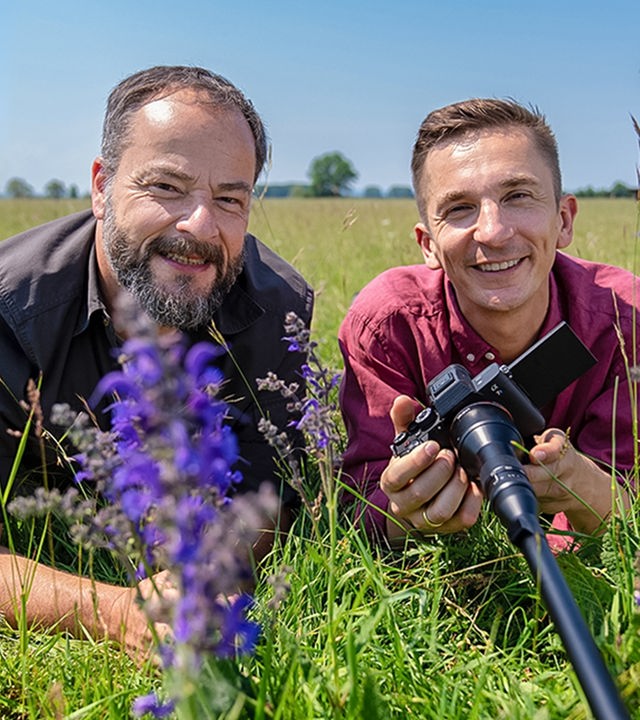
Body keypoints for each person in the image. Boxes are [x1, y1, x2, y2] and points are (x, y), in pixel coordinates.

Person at [0, 65, 313, 656]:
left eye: (229, 198)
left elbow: (266, 496)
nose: (200, 225)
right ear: (101, 188)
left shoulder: (274, 305)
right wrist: (117, 611)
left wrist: (210, 569)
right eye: (166, 187)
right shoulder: (9, 313)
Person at [338, 98, 637, 546]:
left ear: (564, 220)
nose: (494, 232)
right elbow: (358, 504)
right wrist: (403, 513)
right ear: (428, 244)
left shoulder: (624, 320)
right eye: (459, 208)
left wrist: (583, 488)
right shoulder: (387, 326)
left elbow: (629, 495)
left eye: (518, 196)